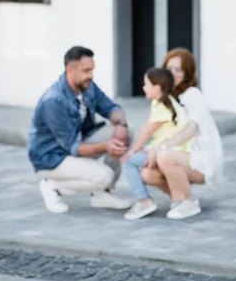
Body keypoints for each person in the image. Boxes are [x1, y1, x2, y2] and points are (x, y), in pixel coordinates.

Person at [28, 46, 133, 213]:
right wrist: (106, 146)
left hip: (78, 143)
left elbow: (111, 107)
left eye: (92, 70)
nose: (91, 75)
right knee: (104, 176)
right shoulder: (54, 100)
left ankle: (102, 195)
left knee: (127, 131)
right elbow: (72, 147)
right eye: (86, 71)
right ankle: (52, 186)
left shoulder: (87, 86)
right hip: (52, 157)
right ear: (70, 70)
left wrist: (121, 125)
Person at [140, 48, 224, 220]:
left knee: (164, 157)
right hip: (181, 155)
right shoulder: (167, 97)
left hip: (200, 159)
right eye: (169, 68)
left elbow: (191, 129)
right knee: (147, 173)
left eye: (177, 70)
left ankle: (189, 202)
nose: (172, 73)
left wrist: (162, 148)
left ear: (187, 74)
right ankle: (180, 198)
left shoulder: (192, 94)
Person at [121, 67, 193, 221]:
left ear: (157, 87)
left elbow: (147, 131)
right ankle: (180, 198)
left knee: (129, 162)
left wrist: (132, 151)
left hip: (169, 152)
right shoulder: (165, 102)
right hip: (168, 149)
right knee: (143, 169)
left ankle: (143, 200)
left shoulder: (162, 106)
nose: (143, 87)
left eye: (146, 84)